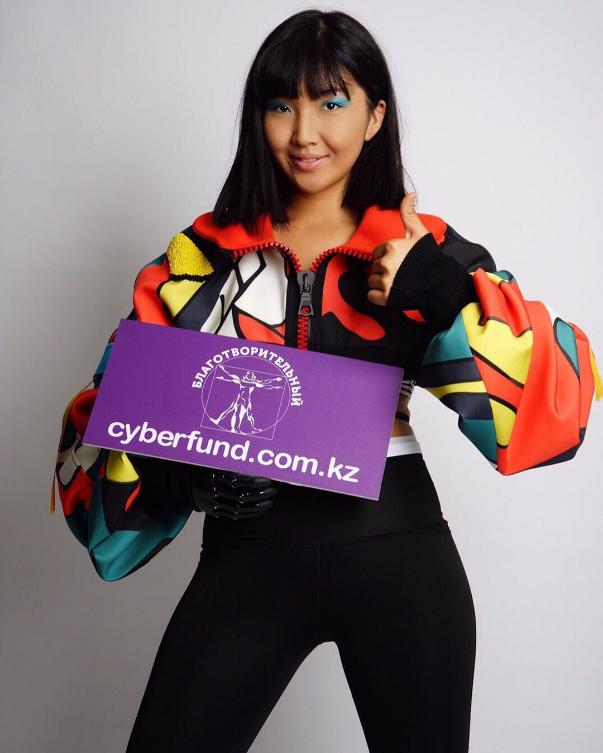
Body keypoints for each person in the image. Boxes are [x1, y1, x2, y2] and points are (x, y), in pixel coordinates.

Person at [50, 9, 601, 753]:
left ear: (375, 116)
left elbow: (558, 409)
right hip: (246, 551)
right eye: (281, 105)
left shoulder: (417, 245)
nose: (304, 132)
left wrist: (444, 292)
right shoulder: (199, 259)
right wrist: (184, 476)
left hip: (398, 554)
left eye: (331, 102)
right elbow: (105, 421)